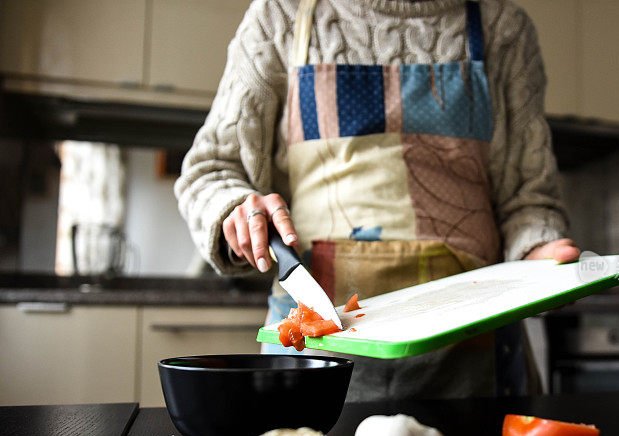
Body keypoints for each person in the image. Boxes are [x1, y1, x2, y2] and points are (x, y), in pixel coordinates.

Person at [175, 0, 579, 401]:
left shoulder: (502, 27)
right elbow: (211, 169)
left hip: (469, 363)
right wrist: (235, 210)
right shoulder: (282, 15)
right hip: (315, 356)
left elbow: (529, 198)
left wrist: (538, 248)